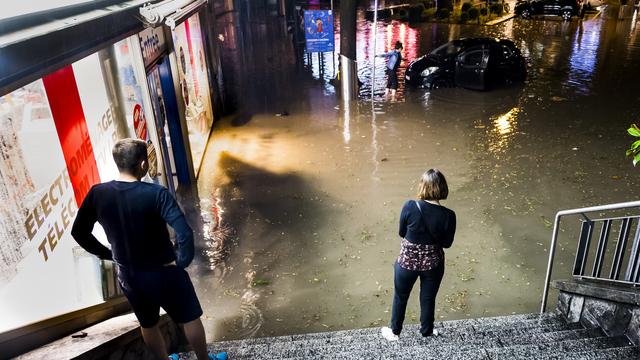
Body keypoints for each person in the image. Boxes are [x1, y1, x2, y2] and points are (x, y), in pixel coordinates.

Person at [71, 139, 226, 360]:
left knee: (148, 322)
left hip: (129, 274)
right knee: (189, 317)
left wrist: (108, 255)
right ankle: (203, 359)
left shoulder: (97, 193)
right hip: (164, 271)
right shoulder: (156, 193)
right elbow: (184, 232)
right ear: (143, 164)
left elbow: (79, 232)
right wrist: (182, 261)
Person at [381, 169, 456, 341]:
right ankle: (426, 331)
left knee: (401, 296)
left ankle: (394, 333)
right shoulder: (449, 216)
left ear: (423, 186)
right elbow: (447, 244)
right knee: (428, 299)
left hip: (407, 263)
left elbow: (401, 232)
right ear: (443, 188)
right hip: (433, 265)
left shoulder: (409, 206)